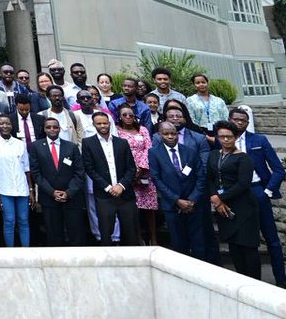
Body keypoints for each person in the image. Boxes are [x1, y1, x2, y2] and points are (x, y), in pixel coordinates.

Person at [228, 107, 286, 286]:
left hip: (257, 191)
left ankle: (281, 281)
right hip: (235, 196)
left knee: (272, 240)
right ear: (229, 119)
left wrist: (267, 191)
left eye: (243, 120)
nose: (239, 122)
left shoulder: (259, 140)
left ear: (247, 123)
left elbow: (278, 169)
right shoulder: (222, 141)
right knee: (241, 239)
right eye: (236, 119)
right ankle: (247, 282)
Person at [209, 119, 262, 280]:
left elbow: (243, 184)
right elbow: (210, 178)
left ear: (236, 137)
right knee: (234, 247)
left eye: (229, 137)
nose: (226, 140)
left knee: (248, 248)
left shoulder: (243, 158)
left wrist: (219, 198)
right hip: (223, 207)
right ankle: (242, 282)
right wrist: (214, 197)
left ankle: (255, 285)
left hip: (244, 208)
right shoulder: (213, 155)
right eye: (222, 136)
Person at [147, 120, 208, 260]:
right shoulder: (154, 153)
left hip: (193, 205)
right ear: (160, 135)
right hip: (172, 205)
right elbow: (157, 179)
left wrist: (192, 199)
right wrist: (176, 200)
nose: (170, 137)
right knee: (179, 244)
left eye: (173, 133)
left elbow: (200, 176)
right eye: (166, 134)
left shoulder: (190, 151)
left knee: (199, 243)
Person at [83, 112, 139, 246]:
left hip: (125, 195)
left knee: (131, 232)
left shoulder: (122, 143)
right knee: (106, 233)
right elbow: (90, 169)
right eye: (99, 123)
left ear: (109, 123)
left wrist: (121, 185)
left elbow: (131, 168)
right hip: (104, 195)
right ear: (94, 125)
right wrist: (108, 187)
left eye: (105, 123)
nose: (103, 126)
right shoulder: (88, 143)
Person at [29, 117, 86, 245]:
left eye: (55, 127)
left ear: (59, 129)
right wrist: (52, 192)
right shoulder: (36, 146)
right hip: (49, 198)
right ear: (44, 129)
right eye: (48, 127)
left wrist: (69, 192)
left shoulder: (71, 147)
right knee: (54, 234)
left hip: (71, 198)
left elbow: (79, 172)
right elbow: (36, 173)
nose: (52, 129)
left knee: (75, 233)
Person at [114, 104, 158, 245]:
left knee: (149, 208)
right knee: (134, 208)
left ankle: (154, 238)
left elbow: (148, 148)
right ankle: (138, 239)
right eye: (124, 115)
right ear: (119, 116)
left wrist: (141, 169)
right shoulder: (116, 131)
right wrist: (131, 173)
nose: (128, 117)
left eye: (131, 115)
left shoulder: (142, 129)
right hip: (127, 173)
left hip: (145, 172)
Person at [0, 115, 30, 247]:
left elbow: (26, 168)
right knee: (9, 221)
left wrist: (32, 190)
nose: (5, 126)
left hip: (22, 188)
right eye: (1, 123)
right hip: (4, 188)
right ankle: (10, 252)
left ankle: (26, 251)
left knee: (23, 220)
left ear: (12, 125)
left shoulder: (20, 144)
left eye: (7, 123)